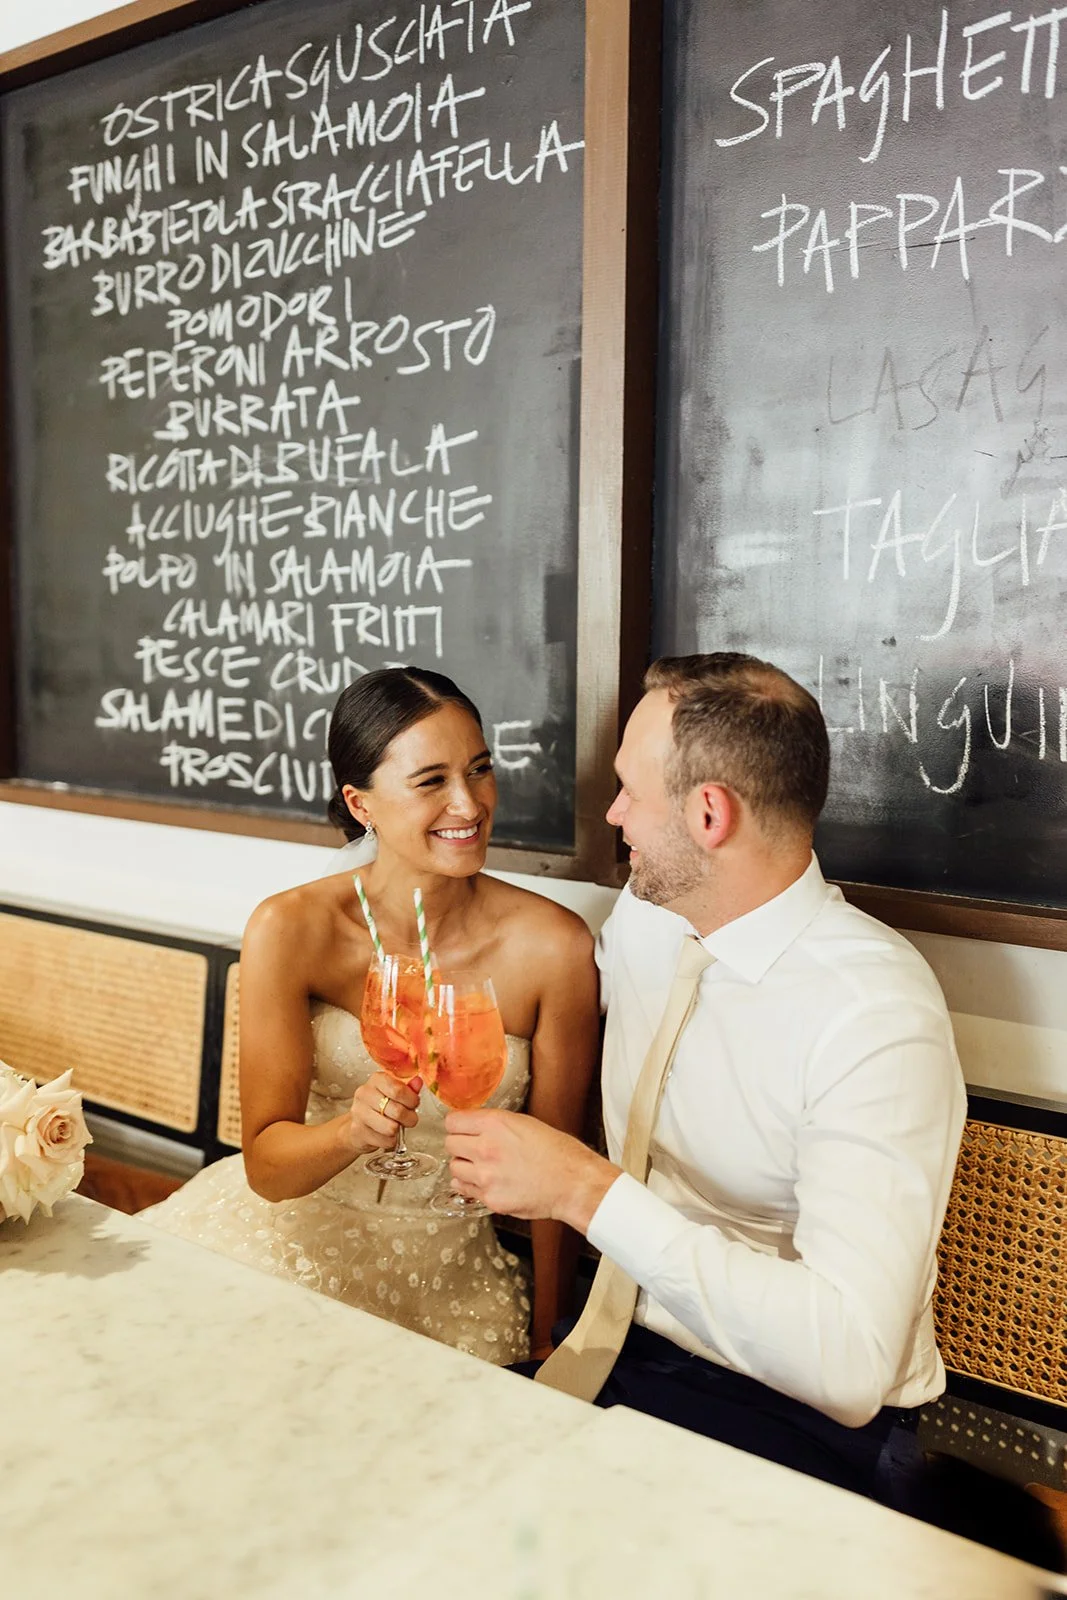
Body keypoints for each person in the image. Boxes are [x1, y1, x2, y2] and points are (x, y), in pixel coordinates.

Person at [444, 652, 968, 1494]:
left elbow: (850, 1362)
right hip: (611, 1344)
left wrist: (586, 1193)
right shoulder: (650, 922)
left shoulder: (873, 1013)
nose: (612, 813)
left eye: (629, 792)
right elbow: (526, 997)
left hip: (787, 1417)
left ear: (709, 813)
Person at [142, 667, 599, 1365]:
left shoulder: (553, 947)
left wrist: (553, 1338)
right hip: (282, 1247)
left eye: (479, 770)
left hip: (452, 1279)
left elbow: (559, 1174)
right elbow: (266, 1168)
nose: (469, 803)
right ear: (361, 804)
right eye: (430, 781)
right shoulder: (290, 928)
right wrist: (347, 1133)